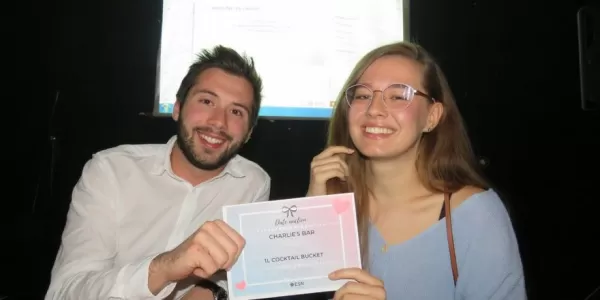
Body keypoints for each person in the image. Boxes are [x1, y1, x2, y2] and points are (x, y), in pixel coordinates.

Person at [45, 45, 271, 300]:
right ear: (177, 108)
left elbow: (239, 274)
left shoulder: (253, 183)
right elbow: (63, 293)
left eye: (236, 111)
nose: (219, 121)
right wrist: (164, 268)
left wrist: (210, 289)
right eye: (207, 101)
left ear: (249, 132)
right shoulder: (111, 171)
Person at [307, 41, 526, 299]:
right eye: (363, 95)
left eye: (398, 96)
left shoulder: (475, 215)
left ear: (432, 117)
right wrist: (311, 213)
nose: (374, 109)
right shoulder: (332, 202)